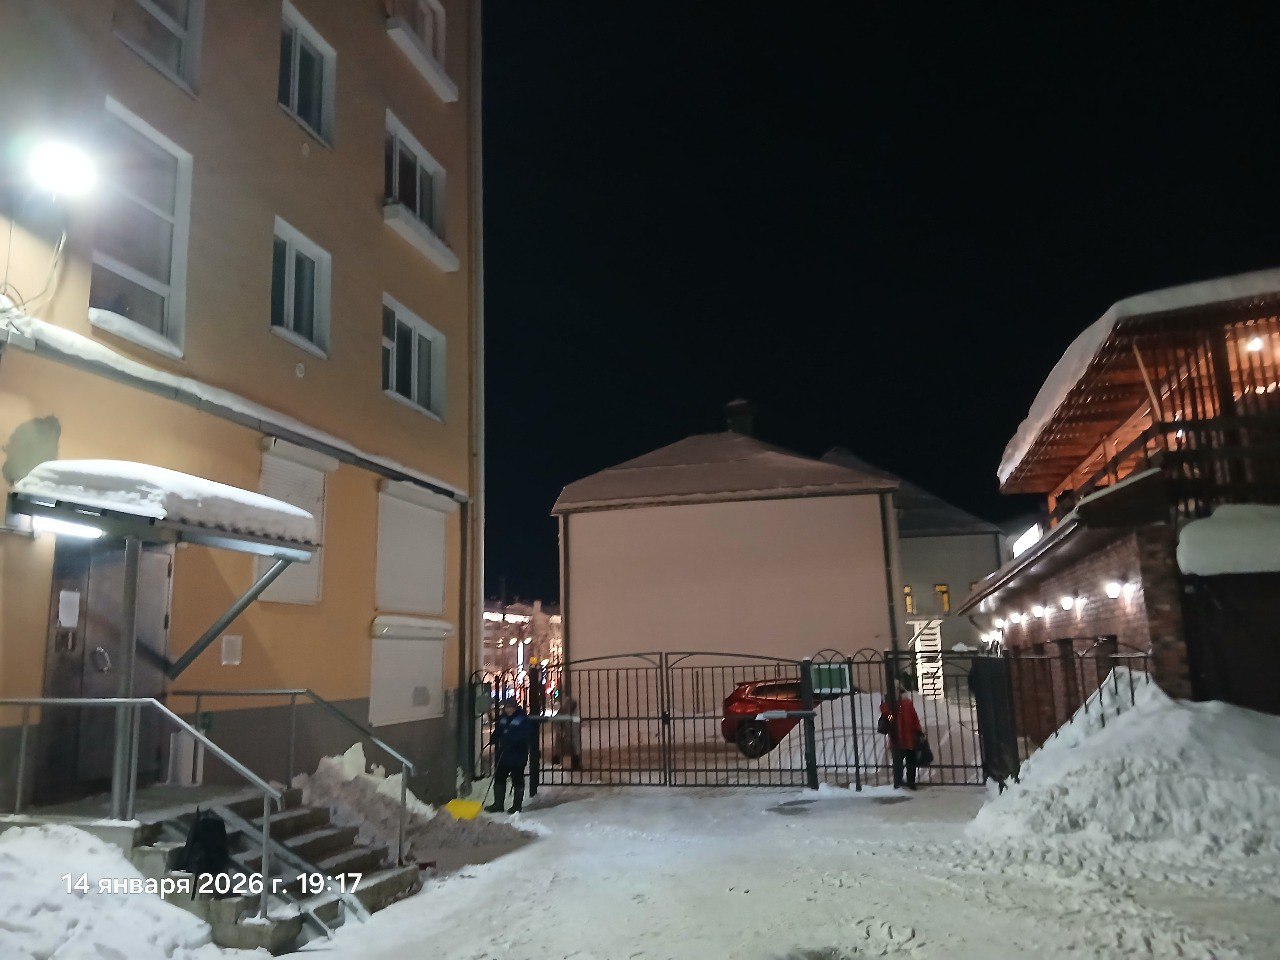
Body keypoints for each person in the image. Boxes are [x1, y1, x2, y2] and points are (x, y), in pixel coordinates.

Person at [487, 697, 535, 814]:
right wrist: (494, 738)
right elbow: (498, 731)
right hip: (503, 755)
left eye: (509, 707)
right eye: (506, 707)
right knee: (499, 777)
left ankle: (517, 806)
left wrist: (511, 740)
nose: (507, 709)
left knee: (517, 779)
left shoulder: (522, 719)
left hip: (517, 755)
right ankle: (498, 804)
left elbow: (525, 736)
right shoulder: (503, 719)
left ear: (514, 707)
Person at [880, 685, 923, 790]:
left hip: (908, 736)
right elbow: (888, 716)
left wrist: (918, 730)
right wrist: (890, 714)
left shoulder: (906, 703)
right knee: (899, 761)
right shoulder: (889, 704)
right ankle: (900, 781)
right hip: (897, 737)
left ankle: (909, 781)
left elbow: (914, 717)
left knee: (909, 760)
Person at [551, 697, 582, 771]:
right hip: (565, 735)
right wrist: (560, 731)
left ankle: (575, 764)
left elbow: (577, 722)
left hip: (573, 735)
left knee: (574, 750)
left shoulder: (574, 713)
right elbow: (556, 722)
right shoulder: (562, 712)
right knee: (560, 750)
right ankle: (557, 763)